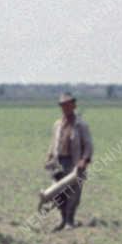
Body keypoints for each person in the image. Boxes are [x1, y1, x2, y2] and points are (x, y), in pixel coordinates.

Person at [44, 93, 92, 230]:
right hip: (59, 162)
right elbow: (53, 142)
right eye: (63, 105)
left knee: (73, 193)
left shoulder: (81, 125)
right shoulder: (58, 124)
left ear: (74, 105)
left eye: (68, 104)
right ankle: (63, 219)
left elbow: (88, 145)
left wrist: (84, 160)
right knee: (58, 192)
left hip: (75, 162)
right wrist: (49, 156)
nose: (65, 107)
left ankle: (70, 221)